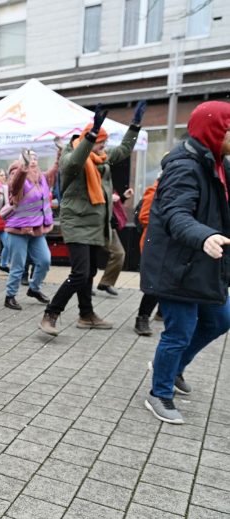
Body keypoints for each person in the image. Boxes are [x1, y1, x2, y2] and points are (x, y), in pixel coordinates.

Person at [141, 101, 230, 424]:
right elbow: (177, 215)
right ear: (214, 130)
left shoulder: (218, 163)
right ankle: (159, 393)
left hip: (204, 263)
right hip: (177, 264)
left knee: (220, 319)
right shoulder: (184, 166)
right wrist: (205, 235)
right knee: (179, 331)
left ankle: (173, 367)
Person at [39, 102, 145, 335]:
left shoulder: (101, 158)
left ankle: (86, 315)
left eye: (104, 143)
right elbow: (76, 159)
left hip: (97, 225)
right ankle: (51, 313)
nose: (103, 147)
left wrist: (134, 127)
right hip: (77, 222)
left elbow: (125, 150)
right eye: (100, 142)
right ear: (90, 139)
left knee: (89, 274)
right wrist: (92, 135)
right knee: (79, 273)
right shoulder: (71, 157)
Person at [3, 149, 57, 310]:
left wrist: (60, 153)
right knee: (18, 265)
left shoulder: (41, 178)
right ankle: (10, 296)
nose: (33, 160)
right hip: (18, 229)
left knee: (45, 261)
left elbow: (54, 170)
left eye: (35, 158)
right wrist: (23, 166)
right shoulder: (17, 175)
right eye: (29, 158)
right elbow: (15, 185)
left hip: (37, 228)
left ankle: (34, 289)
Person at [95, 187, 134, 296]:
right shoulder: (91, 176)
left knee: (119, 253)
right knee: (90, 255)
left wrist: (122, 198)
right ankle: (84, 286)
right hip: (95, 225)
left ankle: (106, 282)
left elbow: (111, 205)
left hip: (109, 226)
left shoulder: (106, 179)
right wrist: (108, 198)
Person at [134, 179, 159, 336]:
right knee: (155, 283)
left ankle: (162, 313)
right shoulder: (155, 189)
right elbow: (144, 217)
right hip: (155, 244)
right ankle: (142, 318)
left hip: (170, 244)